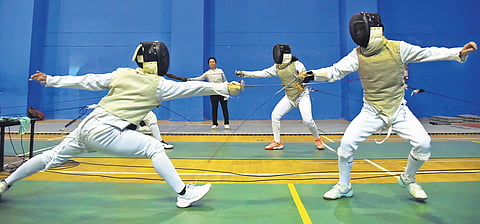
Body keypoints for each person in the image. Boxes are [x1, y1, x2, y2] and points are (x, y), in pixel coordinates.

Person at [0, 41, 242, 208]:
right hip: (106, 132)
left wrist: (51, 79)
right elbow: (193, 88)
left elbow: (88, 80)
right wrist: (225, 87)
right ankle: (184, 194)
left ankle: (5, 183)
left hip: (86, 127)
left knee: (50, 157)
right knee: (154, 148)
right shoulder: (160, 85)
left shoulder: (122, 73)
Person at [299, 12, 477, 201]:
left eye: (361, 29)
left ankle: (408, 178)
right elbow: (335, 71)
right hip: (372, 111)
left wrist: (458, 52)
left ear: (372, 31)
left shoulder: (398, 48)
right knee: (346, 144)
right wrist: (311, 75)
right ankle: (344, 186)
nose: (358, 34)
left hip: (398, 109)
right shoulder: (357, 55)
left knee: (424, 144)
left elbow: (427, 53)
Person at [235, 44, 325, 150]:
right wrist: (245, 74)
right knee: (275, 115)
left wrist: (302, 76)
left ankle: (318, 139)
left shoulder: (297, 64)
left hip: (302, 96)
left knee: (308, 121)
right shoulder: (277, 67)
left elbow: (305, 74)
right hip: (289, 97)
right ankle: (277, 142)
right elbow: (263, 73)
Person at [188, 57, 230, 130]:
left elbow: (225, 81)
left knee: (224, 108)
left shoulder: (220, 71)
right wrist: (189, 79)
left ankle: (226, 123)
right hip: (213, 92)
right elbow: (199, 78)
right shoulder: (207, 73)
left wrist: (227, 90)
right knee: (214, 109)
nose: (212, 63)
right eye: (210, 62)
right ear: (208, 64)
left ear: (215, 63)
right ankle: (214, 124)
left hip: (222, 92)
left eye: (213, 62)